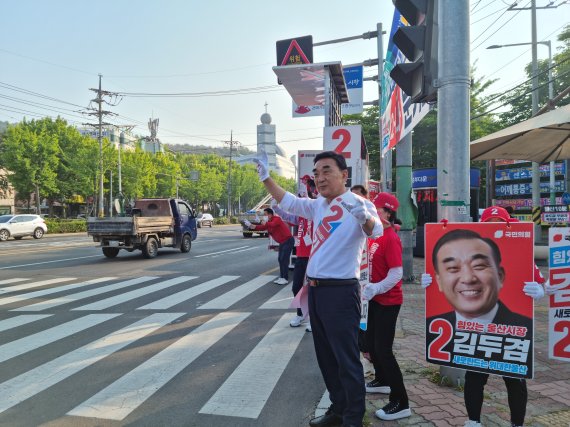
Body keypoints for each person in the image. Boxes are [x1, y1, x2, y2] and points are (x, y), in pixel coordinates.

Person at [253, 151, 382, 427]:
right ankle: (338, 408)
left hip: (341, 292)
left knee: (346, 359)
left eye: (326, 171)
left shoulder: (359, 203)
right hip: (317, 291)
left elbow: (376, 231)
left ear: (344, 174)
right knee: (325, 357)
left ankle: (353, 418)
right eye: (316, 173)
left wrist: (364, 219)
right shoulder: (318, 205)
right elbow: (288, 201)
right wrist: (266, 178)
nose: (320, 178)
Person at [361, 193, 411, 421]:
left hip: (388, 301)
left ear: (388, 212)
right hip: (374, 299)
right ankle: (382, 380)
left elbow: (397, 272)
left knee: (384, 350)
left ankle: (401, 402)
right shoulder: (374, 234)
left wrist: (377, 288)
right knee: (370, 344)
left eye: (376, 208)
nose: (372, 212)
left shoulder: (391, 237)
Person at [244, 207, 294, 285]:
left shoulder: (276, 219)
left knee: (284, 260)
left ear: (270, 214)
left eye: (265, 214)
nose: (264, 216)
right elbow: (260, 228)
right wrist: (250, 225)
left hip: (288, 241)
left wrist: (261, 221)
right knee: (280, 259)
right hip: (282, 242)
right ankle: (282, 277)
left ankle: (285, 278)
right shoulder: (268, 222)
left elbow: (272, 224)